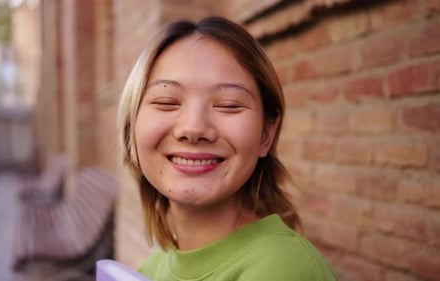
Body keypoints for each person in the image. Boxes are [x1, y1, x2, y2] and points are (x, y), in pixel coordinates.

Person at [118, 16, 337, 280]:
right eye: (166, 102)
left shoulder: (283, 269)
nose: (194, 128)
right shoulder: (153, 266)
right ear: (132, 127)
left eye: (229, 105)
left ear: (266, 133)